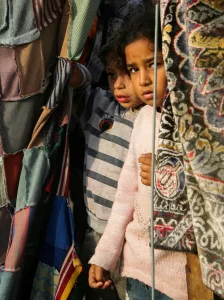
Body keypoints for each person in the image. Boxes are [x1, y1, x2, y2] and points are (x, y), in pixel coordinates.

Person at [88, 4, 188, 300]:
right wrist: (104, 255)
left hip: (182, 282)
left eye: (153, 64)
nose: (142, 79)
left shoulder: (197, 124)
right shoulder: (144, 118)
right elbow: (125, 195)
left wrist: (171, 173)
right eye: (134, 68)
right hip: (137, 272)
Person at [70, 35, 144, 299]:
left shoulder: (151, 121)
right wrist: (75, 74)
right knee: (94, 289)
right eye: (113, 75)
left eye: (129, 73)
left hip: (129, 240)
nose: (120, 85)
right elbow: (77, 86)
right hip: (91, 227)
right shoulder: (100, 105)